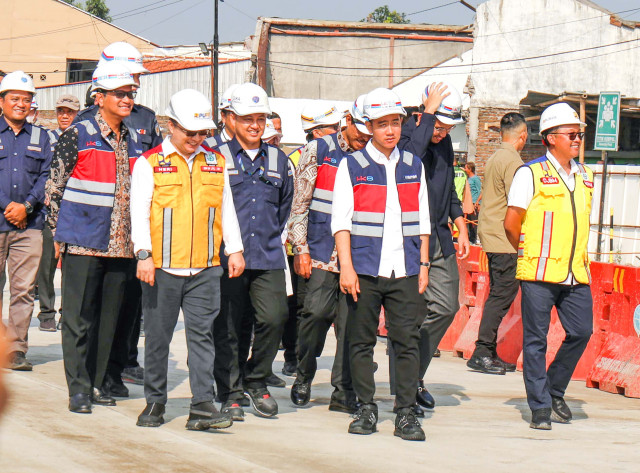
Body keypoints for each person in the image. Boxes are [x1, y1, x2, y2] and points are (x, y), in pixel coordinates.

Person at [131, 89, 244, 431]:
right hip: (162, 268)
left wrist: (234, 248)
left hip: (205, 267)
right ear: (170, 126)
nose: (196, 139)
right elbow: (138, 212)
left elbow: (227, 208)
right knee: (158, 337)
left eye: (202, 133)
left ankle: (202, 404)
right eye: (189, 132)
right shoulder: (149, 163)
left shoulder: (216, 162)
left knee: (202, 337)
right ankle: (155, 402)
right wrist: (143, 254)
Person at [332, 88, 430, 441]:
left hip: (403, 268)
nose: (390, 130)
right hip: (364, 269)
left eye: (395, 123)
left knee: (406, 340)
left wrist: (424, 264)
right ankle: (366, 407)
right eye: (382, 124)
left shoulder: (412, 165)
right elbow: (341, 222)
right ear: (368, 126)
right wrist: (346, 268)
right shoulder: (352, 166)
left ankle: (405, 412)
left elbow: (423, 220)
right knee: (360, 342)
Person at [46, 62, 143, 414]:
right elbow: (54, 186)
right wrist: (58, 234)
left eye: (131, 94)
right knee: (78, 318)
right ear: (99, 97)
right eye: (120, 93)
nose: (127, 99)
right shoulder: (79, 133)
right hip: (84, 240)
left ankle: (100, 382)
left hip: (121, 247)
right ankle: (79, 389)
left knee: (108, 320)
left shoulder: (132, 138)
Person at [75, 42, 163, 394]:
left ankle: (115, 369)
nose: (133, 86)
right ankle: (87, 372)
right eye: (129, 78)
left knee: (127, 306)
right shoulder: (85, 122)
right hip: (93, 230)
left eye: (135, 81)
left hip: (133, 231)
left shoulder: (145, 118)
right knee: (91, 307)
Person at [504, 102, 593, 430]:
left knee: (582, 331)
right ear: (551, 137)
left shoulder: (585, 175)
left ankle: (554, 389)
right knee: (536, 341)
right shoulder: (530, 174)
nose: (577, 139)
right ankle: (540, 407)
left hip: (575, 273)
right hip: (539, 273)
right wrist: (529, 254)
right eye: (572, 133)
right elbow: (512, 222)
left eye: (579, 133)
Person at [210, 83, 293, 420]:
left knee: (275, 318)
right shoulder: (213, 156)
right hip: (226, 257)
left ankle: (256, 380)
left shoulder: (279, 159)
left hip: (268, 254)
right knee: (228, 326)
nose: (255, 125)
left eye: (260, 118)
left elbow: (285, 205)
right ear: (228, 118)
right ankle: (230, 392)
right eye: (246, 119)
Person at [288, 97, 370, 413]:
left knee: (351, 325)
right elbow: (300, 204)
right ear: (347, 120)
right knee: (316, 315)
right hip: (321, 250)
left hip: (358, 256)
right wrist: (301, 249)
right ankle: (303, 377)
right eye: (360, 131)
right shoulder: (319, 151)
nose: (364, 138)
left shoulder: (373, 156)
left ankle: (342, 390)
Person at [399, 82, 470, 411]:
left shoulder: (444, 147)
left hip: (440, 238)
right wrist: (428, 116)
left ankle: (413, 374)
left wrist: (461, 225)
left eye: (449, 128)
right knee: (411, 314)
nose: (442, 133)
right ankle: (407, 381)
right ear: (422, 115)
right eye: (439, 126)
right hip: (409, 240)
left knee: (445, 307)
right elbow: (410, 159)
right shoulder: (405, 138)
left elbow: (449, 189)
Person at [467, 112, 527, 375]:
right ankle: (482, 351)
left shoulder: (494, 157)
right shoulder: (513, 162)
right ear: (523, 136)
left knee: (498, 293)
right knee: (502, 294)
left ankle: (488, 352)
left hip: (491, 232)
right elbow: (518, 203)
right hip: (504, 237)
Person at [0, 71, 52, 371]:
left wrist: (27, 206)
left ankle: (15, 349)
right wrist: (9, 206)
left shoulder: (41, 137)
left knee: (23, 290)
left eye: (26, 99)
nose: (21, 104)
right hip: (3, 220)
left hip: (28, 226)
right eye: (15, 99)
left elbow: (47, 175)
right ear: (3, 101)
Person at [36, 94, 80, 333]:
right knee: (47, 266)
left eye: (70, 111)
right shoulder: (47, 138)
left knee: (72, 269)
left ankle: (67, 312)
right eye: (61, 111)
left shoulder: (83, 138)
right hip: (49, 211)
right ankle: (46, 312)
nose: (65, 115)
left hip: (73, 211)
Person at [204, 84, 239, 148]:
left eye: (247, 118)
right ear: (223, 116)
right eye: (236, 116)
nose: (242, 121)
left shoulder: (260, 148)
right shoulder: (207, 147)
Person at [465, 162, 481, 244]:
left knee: (474, 221)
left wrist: (478, 203)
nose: (465, 169)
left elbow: (480, 191)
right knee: (468, 221)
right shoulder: (468, 179)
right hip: (468, 203)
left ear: (470, 169)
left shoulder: (476, 179)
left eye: (466, 168)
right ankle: (470, 238)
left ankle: (475, 238)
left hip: (474, 202)